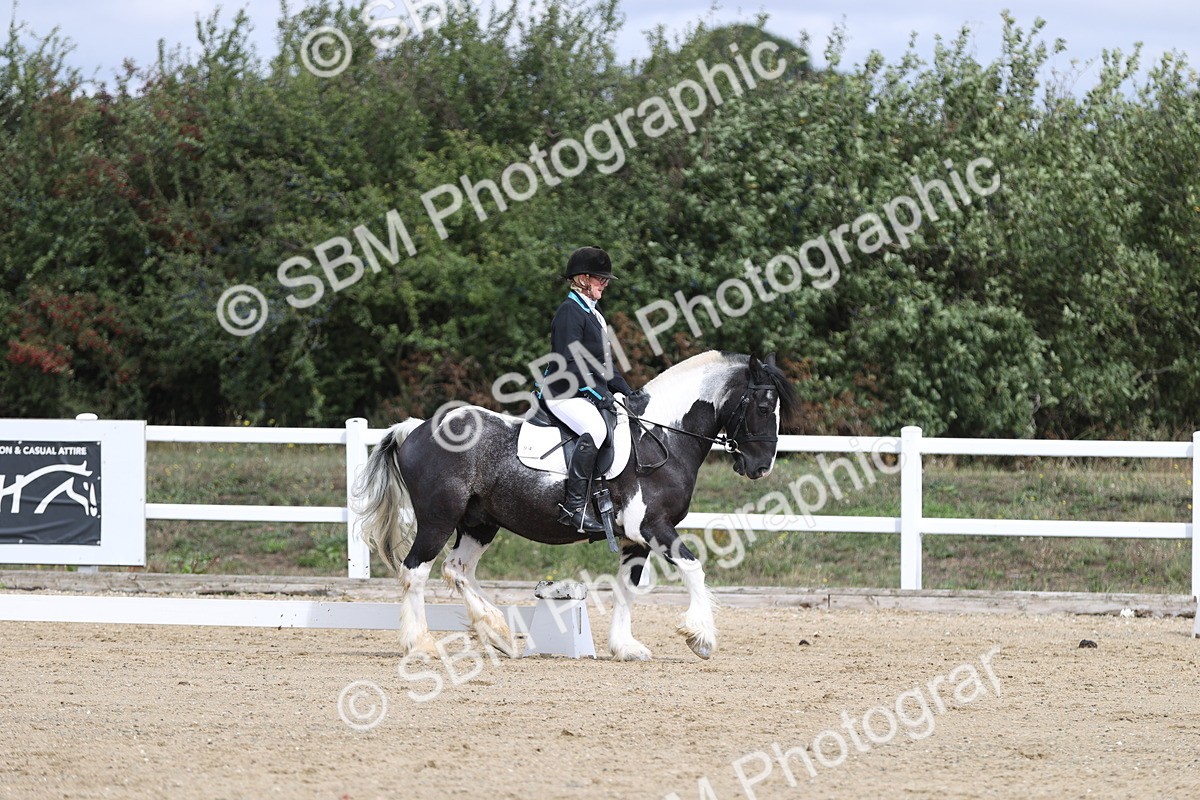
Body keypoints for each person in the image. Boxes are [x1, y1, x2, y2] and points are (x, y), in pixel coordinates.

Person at [542, 246, 635, 533]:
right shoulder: (570, 312)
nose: (605, 284)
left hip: (584, 392)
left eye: (605, 279)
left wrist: (630, 394)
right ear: (583, 279)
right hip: (563, 392)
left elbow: (605, 367)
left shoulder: (594, 314)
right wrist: (599, 395)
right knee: (595, 428)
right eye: (600, 279)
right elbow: (569, 363)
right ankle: (573, 509)